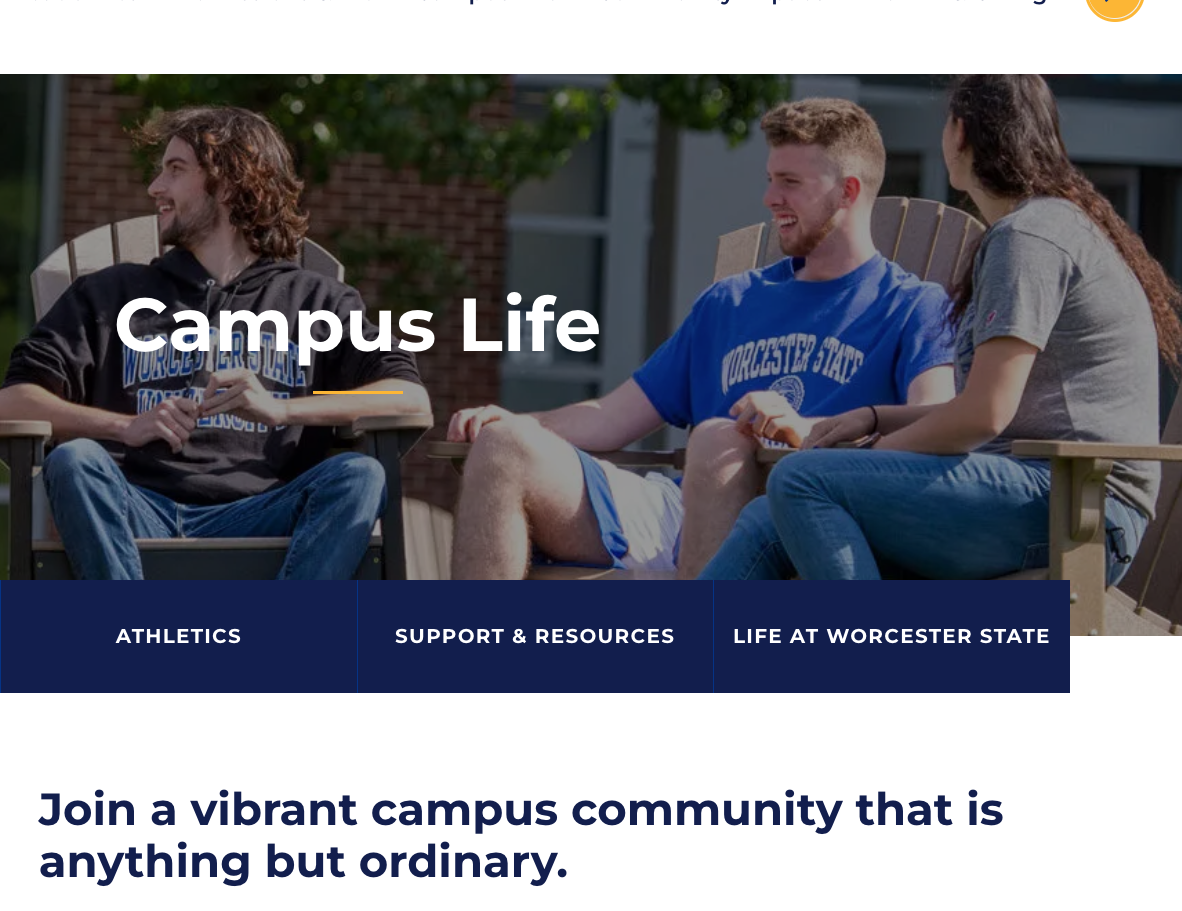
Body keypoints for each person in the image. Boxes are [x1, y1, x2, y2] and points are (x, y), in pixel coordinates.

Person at [445, 98, 955, 580]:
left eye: (790, 182)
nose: (770, 197)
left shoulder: (912, 306)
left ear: (846, 191)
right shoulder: (731, 301)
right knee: (504, 447)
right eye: (770, 179)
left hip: (791, 526)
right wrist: (517, 422)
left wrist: (809, 429)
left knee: (718, 437)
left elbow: (937, 422)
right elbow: (613, 416)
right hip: (684, 507)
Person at [701, 74, 1178, 583]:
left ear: (961, 134)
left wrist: (871, 461)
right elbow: (988, 408)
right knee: (766, 517)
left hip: (1078, 512)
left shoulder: (1031, 237)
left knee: (802, 482)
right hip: (1050, 497)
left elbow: (984, 414)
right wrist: (874, 416)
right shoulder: (1047, 226)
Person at [0, 105, 429, 580]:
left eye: (175, 170)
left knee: (360, 476)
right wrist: (125, 427)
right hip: (134, 509)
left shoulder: (317, 301)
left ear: (232, 182)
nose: (155, 188)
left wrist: (282, 411)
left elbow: (407, 398)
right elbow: (11, 403)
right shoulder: (108, 295)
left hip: (265, 513)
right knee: (75, 460)